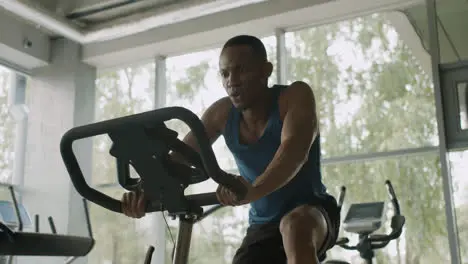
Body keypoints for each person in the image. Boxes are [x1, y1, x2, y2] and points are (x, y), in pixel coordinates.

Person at [121, 35, 340, 264]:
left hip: (312, 212)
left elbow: (293, 152)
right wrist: (145, 192)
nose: (232, 81)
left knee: (294, 227)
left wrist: (252, 190)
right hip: (263, 224)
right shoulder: (221, 114)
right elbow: (178, 159)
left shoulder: (294, 97)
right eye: (225, 73)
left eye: (241, 70)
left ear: (266, 70)